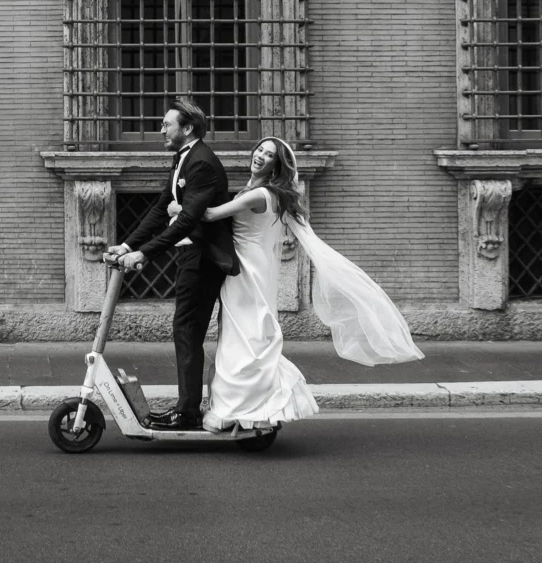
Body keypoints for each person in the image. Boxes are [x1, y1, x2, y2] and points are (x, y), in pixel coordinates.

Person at [172, 137, 424, 432]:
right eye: (260, 150)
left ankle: (235, 407)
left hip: (247, 269)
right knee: (242, 331)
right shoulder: (258, 189)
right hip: (250, 264)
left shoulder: (261, 194)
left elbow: (212, 214)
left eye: (268, 155)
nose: (260, 156)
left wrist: (178, 208)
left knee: (243, 333)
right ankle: (238, 403)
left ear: (276, 166)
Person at [107, 100, 239, 431]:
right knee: (185, 330)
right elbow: (160, 208)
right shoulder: (184, 159)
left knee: (187, 331)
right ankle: (188, 406)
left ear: (188, 128)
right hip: (189, 256)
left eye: (167, 124)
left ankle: (188, 411)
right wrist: (126, 245)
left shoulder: (202, 164)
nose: (161, 129)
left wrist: (144, 254)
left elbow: (187, 220)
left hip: (203, 258)